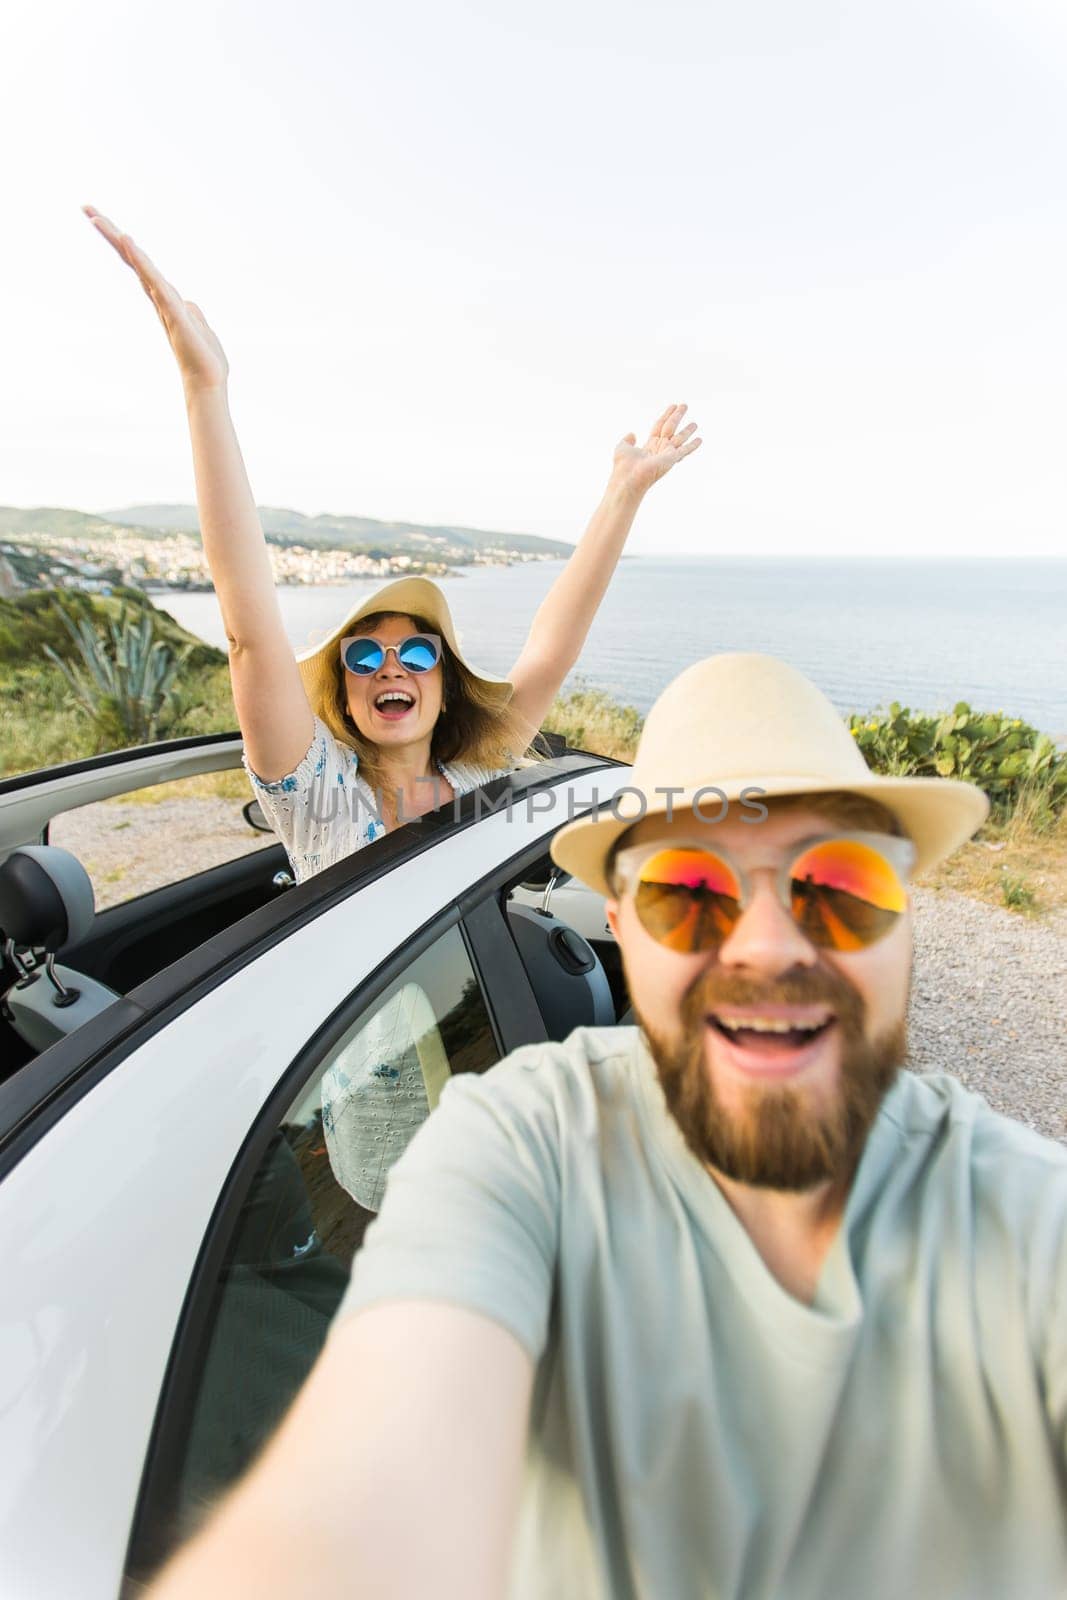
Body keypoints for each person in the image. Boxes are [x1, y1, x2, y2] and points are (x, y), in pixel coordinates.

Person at [142, 650, 1067, 1599]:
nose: (767, 948)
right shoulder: (520, 1147)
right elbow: (370, 1483)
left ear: (906, 916)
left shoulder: (1026, 1223)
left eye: (839, 884)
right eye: (689, 892)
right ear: (620, 928)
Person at [84, 206, 702, 880]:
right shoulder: (317, 794)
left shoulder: (477, 774)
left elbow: (551, 647)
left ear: (443, 685)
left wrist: (623, 492)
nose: (390, 667)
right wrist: (205, 389)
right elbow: (249, 634)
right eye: (363, 656)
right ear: (345, 698)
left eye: (414, 650)